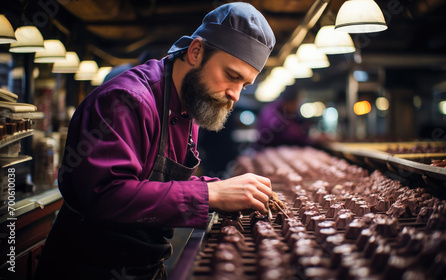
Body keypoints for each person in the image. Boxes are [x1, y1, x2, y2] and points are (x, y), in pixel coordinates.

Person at [34, 3, 275, 280]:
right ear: (196, 52)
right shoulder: (125, 101)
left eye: (244, 85)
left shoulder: (190, 106)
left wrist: (219, 189)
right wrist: (211, 196)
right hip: (88, 268)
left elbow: (156, 186)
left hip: (145, 266)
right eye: (232, 76)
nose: (235, 94)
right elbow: (105, 195)